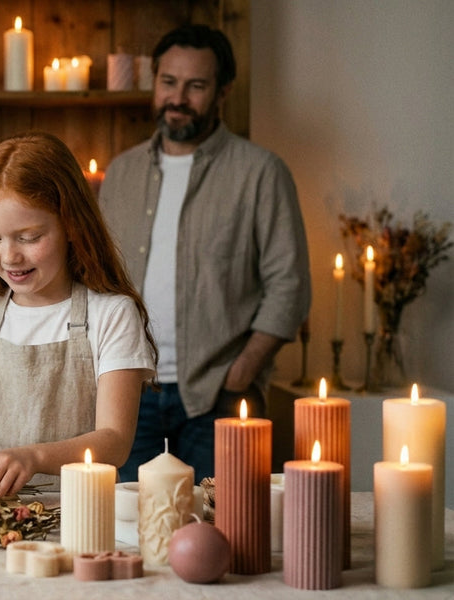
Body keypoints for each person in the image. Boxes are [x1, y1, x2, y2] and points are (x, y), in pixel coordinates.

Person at [99, 24, 311, 483]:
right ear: (154, 82)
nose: (178, 98)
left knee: (224, 529)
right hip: (129, 393)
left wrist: (241, 373)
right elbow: (98, 276)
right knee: (126, 529)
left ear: (222, 92)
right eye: (168, 82)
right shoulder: (122, 172)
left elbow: (289, 286)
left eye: (195, 85)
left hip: (218, 397)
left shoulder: (261, 173)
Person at [0, 131, 157, 499]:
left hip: (76, 511)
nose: (10, 256)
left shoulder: (111, 314)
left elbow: (114, 441)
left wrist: (34, 457)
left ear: (71, 226)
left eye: (28, 237)